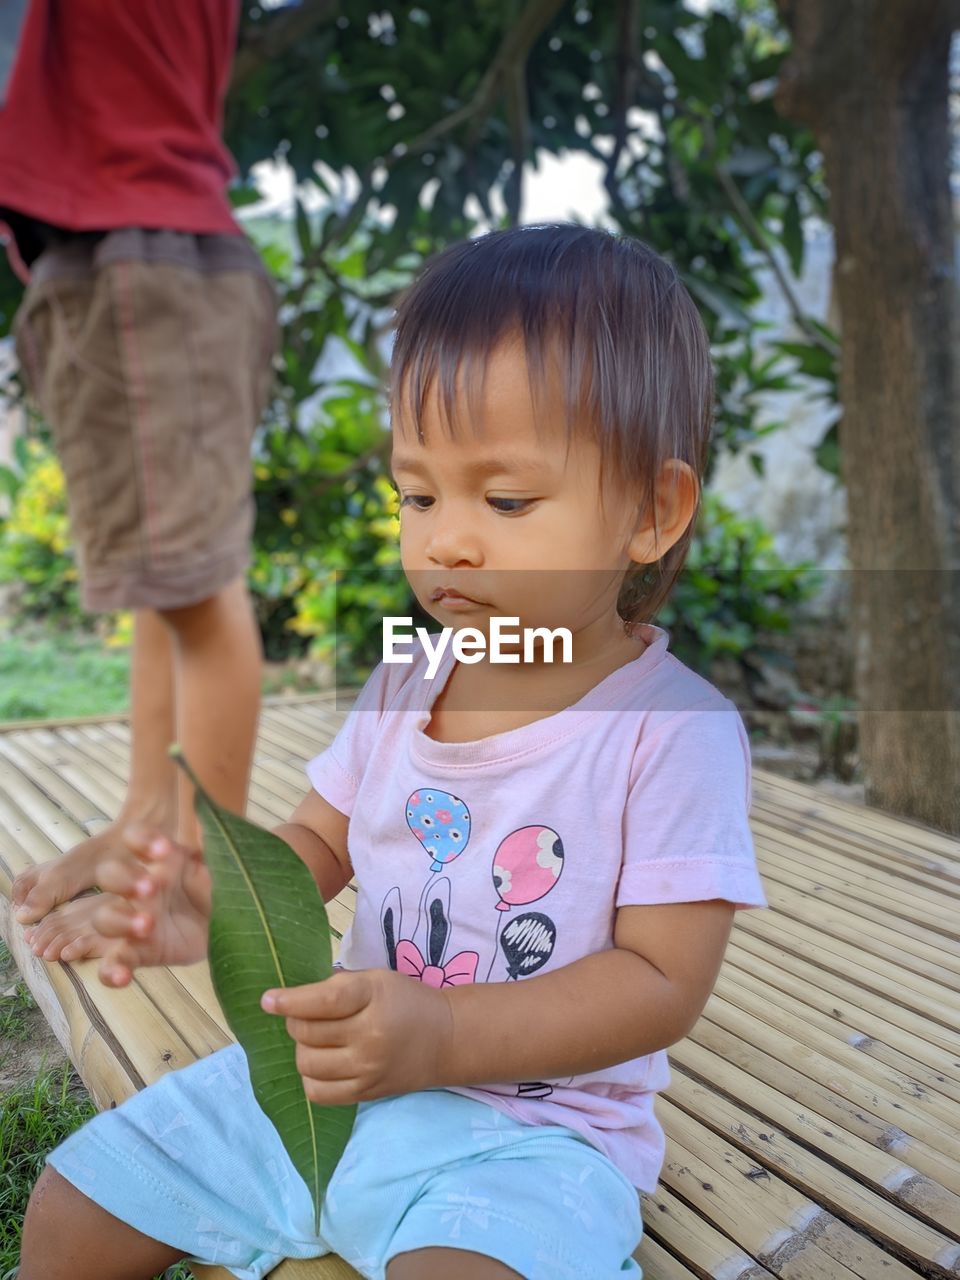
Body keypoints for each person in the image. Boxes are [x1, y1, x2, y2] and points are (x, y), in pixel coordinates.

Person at [17, 224, 769, 1280]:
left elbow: (659, 983)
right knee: (75, 1204)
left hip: (529, 1139)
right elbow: (319, 838)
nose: (445, 538)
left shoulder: (670, 733)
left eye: (505, 499)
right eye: (418, 494)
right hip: (331, 1082)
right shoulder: (406, 681)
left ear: (652, 509)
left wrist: (445, 1035)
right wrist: (212, 889)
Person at [1, 0, 277, 951]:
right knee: (171, 595)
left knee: (196, 599)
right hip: (131, 257)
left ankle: (205, 892)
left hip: (139, 262)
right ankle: (148, 830)